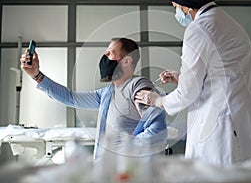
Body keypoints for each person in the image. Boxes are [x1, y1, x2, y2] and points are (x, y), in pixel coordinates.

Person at [135, 0, 251, 166]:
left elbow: (187, 93)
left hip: (224, 123)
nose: (177, 12)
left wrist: (157, 101)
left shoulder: (198, 29)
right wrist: (181, 77)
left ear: (186, 4)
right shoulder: (227, 22)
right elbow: (224, 73)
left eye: (175, 6)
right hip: (242, 114)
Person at [20, 37, 167, 160]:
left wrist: (127, 152)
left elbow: (157, 131)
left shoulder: (138, 86)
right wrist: (36, 75)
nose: (104, 58)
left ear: (127, 61)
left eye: (110, 54)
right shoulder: (108, 93)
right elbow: (71, 98)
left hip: (128, 171)